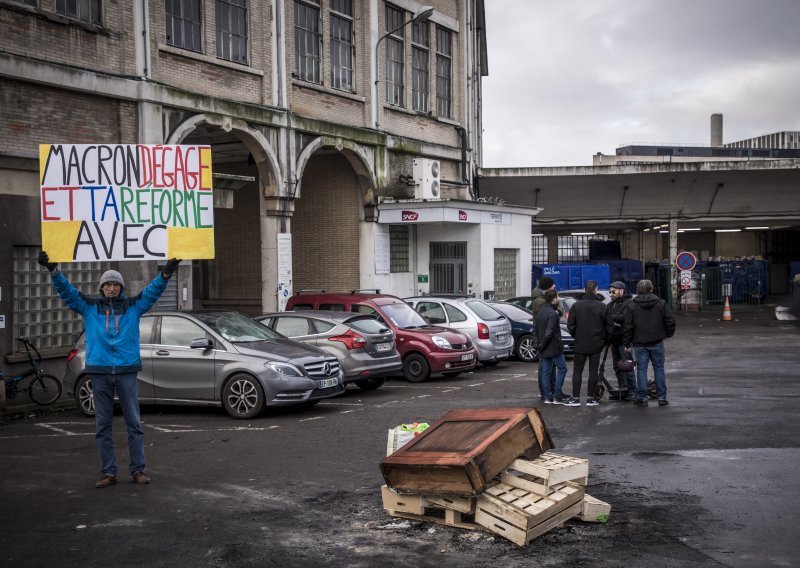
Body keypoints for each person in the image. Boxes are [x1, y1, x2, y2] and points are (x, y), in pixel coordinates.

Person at [38, 251, 181, 487]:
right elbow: (68, 292)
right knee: (102, 425)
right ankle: (108, 472)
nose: (112, 288)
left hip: (126, 371)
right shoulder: (89, 307)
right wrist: (54, 270)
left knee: (133, 423)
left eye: (116, 284)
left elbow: (153, 292)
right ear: (102, 288)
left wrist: (165, 273)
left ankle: (138, 470)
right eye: (108, 284)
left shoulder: (133, 306)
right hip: (99, 371)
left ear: (121, 288)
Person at [623, 279, 676, 407]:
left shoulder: (631, 305)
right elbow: (671, 320)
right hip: (657, 342)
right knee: (659, 369)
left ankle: (643, 398)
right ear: (652, 289)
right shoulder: (661, 303)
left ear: (638, 290)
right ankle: (662, 397)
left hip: (639, 343)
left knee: (641, 370)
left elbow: (628, 326)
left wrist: (626, 343)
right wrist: (668, 334)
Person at [565, 280, 608, 407]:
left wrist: (576, 335)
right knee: (593, 371)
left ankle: (575, 398)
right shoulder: (602, 306)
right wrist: (603, 340)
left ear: (585, 290)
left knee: (577, 370)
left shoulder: (576, 306)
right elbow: (608, 325)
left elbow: (570, 325)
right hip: (596, 344)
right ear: (596, 290)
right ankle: (590, 398)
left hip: (580, 343)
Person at [531, 277, 566, 400]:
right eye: (553, 285)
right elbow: (549, 327)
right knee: (558, 368)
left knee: (547, 369)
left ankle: (548, 395)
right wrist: (541, 344)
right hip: (548, 343)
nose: (555, 285)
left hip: (543, 341)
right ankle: (551, 393)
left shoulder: (540, 301)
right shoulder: (543, 303)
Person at [606, 281, 636, 399]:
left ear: (621, 291)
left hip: (624, 340)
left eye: (613, 291)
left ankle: (632, 390)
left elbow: (625, 318)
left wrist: (610, 318)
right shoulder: (611, 304)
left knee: (627, 366)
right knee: (617, 366)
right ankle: (622, 389)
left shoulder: (629, 303)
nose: (611, 294)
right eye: (610, 291)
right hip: (614, 340)